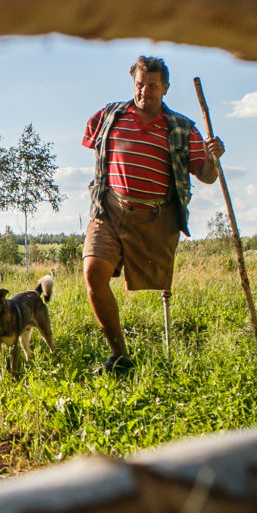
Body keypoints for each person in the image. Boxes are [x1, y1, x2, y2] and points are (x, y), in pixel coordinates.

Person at [81, 55, 224, 373]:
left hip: (155, 218)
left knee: (158, 281)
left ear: (166, 88)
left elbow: (208, 175)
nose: (145, 91)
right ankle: (119, 356)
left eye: (153, 85)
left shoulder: (182, 128)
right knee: (93, 274)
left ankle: (166, 357)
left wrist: (214, 158)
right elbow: (95, 148)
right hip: (109, 210)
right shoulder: (108, 116)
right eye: (140, 84)